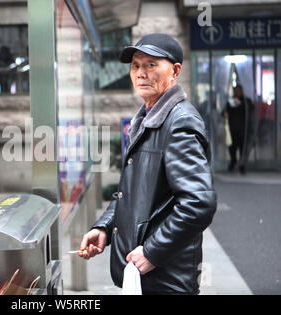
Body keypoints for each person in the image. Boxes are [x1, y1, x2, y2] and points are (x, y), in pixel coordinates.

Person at [79, 33, 217, 295]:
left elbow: (199, 203)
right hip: (143, 277)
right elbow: (133, 193)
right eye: (135, 65)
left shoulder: (180, 123)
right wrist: (105, 227)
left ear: (174, 71)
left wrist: (153, 252)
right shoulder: (147, 119)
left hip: (165, 279)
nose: (140, 73)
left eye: (151, 65)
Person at [223, 84, 255, 174]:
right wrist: (225, 113)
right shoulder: (230, 101)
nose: (236, 92)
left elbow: (250, 111)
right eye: (235, 91)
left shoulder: (246, 101)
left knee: (242, 149)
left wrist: (241, 104)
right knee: (232, 148)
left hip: (242, 130)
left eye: (238, 91)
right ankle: (233, 161)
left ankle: (242, 165)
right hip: (233, 129)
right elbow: (224, 111)